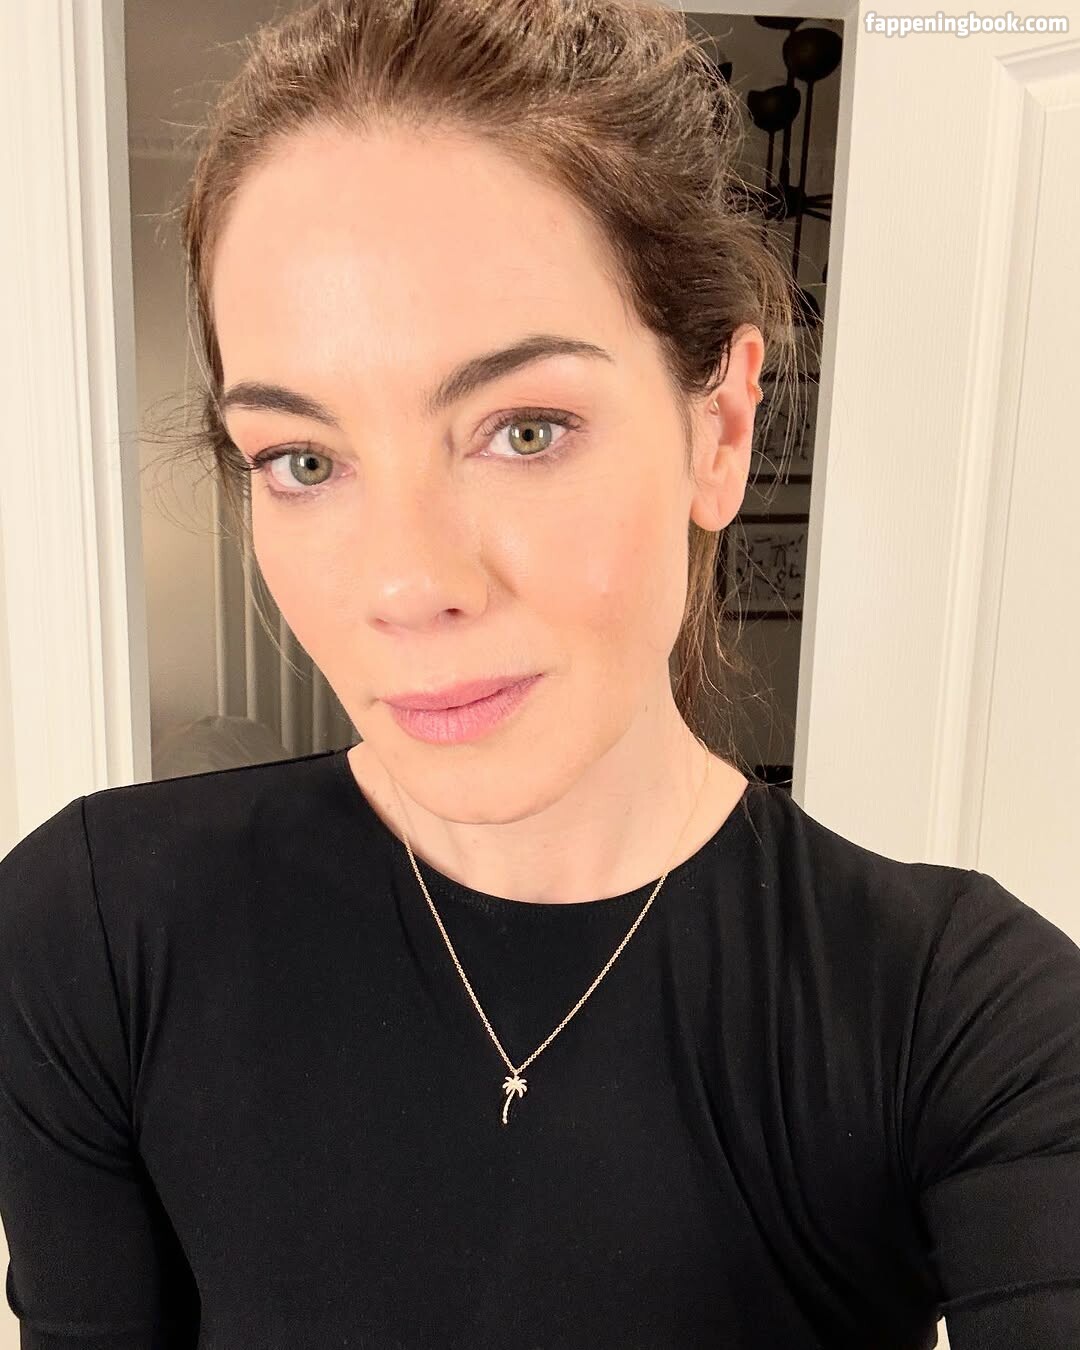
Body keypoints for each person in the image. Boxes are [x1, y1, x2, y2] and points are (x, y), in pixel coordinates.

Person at [2, 0, 1078, 1346]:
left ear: (719, 428)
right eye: (304, 460)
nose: (407, 584)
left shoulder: (961, 1014)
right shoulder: (97, 930)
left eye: (523, 429)